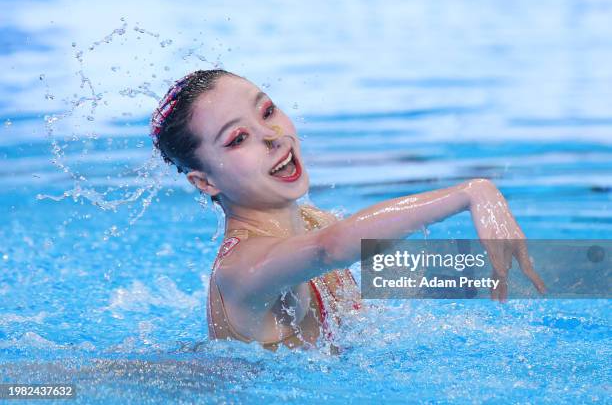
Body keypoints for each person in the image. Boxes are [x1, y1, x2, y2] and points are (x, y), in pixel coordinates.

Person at [149, 69, 546, 351]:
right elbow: (330, 248)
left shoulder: (311, 221)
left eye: (267, 111)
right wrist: (472, 193)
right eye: (238, 138)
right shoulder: (242, 269)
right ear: (205, 182)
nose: (272, 136)